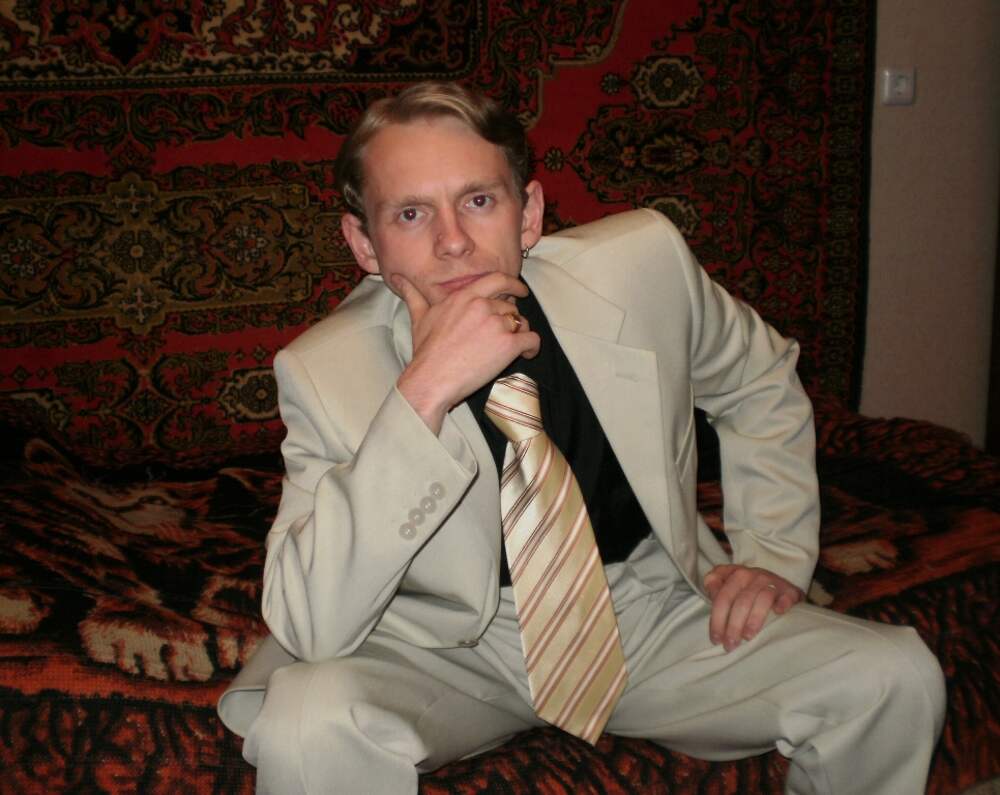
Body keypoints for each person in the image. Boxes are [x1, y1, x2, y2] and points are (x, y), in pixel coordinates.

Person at [218, 81, 945, 794]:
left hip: (649, 608)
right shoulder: (323, 369)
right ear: (364, 243)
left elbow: (758, 378)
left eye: (479, 201)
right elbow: (309, 625)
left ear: (529, 213)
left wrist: (772, 553)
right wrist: (423, 394)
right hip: (443, 649)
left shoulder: (641, 266)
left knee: (893, 677)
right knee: (305, 722)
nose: (453, 241)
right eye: (411, 213)